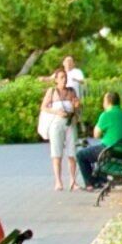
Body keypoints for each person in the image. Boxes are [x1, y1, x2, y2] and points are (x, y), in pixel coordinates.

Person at [38, 61, 79, 190]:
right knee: (56, 152)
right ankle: (58, 181)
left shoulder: (71, 91)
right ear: (55, 80)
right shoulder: (52, 91)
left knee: (72, 152)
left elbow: (76, 107)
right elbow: (44, 107)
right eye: (61, 77)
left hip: (70, 123)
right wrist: (56, 111)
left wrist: (76, 106)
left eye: (65, 77)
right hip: (56, 123)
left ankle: (73, 180)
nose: (64, 80)